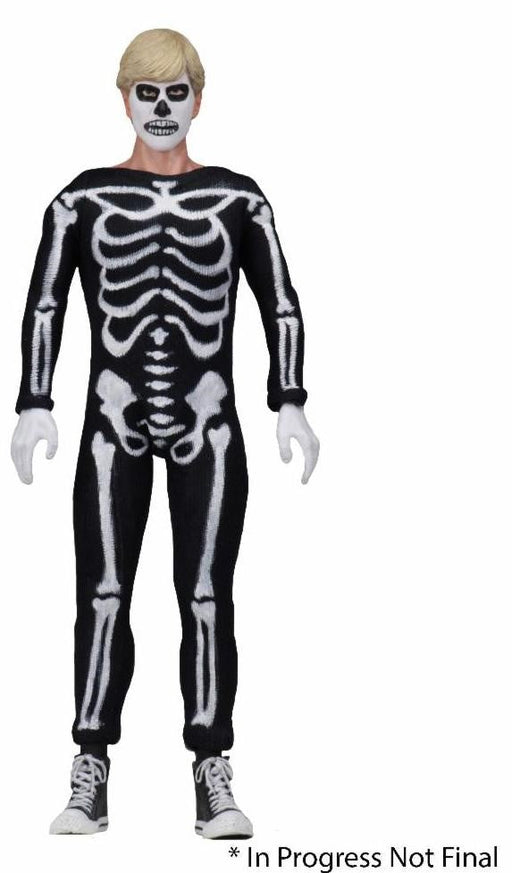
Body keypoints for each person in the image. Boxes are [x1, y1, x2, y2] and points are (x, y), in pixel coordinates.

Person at [11, 27, 320, 838]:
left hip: (206, 420)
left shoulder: (238, 199)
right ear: (124, 99)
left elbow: (280, 301)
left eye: (174, 93)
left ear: (198, 100)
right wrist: (34, 400)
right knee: (102, 593)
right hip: (111, 419)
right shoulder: (80, 201)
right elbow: (46, 302)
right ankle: (90, 766)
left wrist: (289, 397)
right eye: (145, 93)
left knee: (207, 595)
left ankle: (212, 767)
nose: (160, 108)